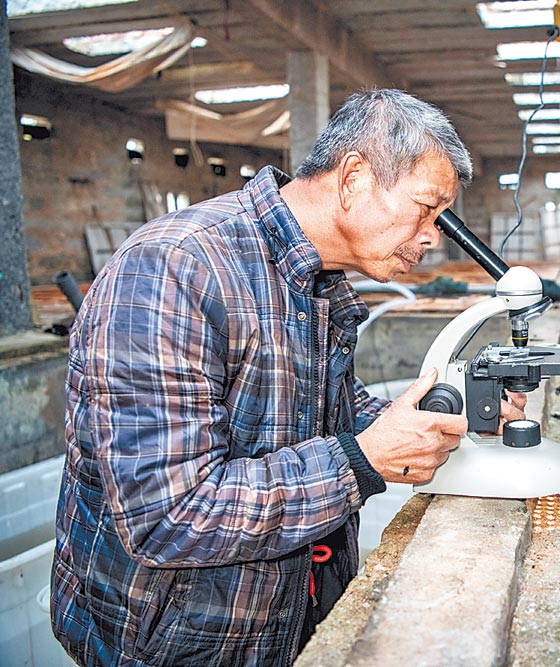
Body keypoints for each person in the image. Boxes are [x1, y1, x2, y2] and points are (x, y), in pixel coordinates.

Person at [50, 88, 527, 667]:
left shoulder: (316, 280)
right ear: (353, 177)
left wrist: (442, 417)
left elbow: (324, 409)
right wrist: (360, 462)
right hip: (179, 644)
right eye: (426, 209)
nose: (432, 236)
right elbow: (168, 516)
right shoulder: (172, 270)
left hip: (290, 619)